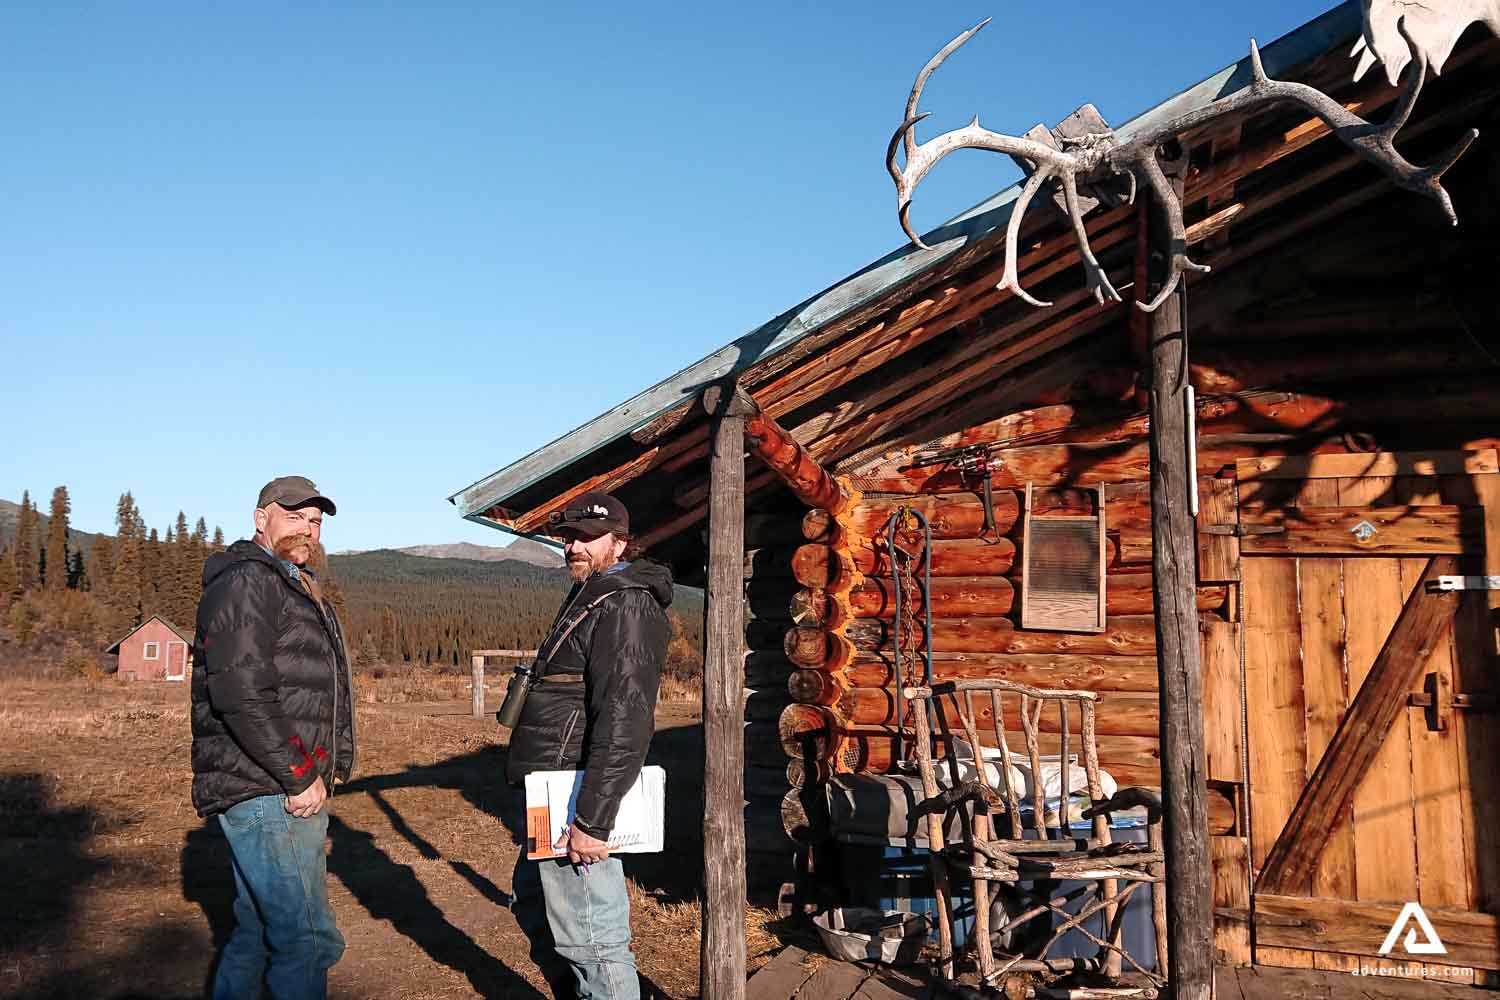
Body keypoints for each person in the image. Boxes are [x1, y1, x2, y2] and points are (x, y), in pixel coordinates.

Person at [190, 476, 355, 1000]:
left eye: (315, 521)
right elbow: (241, 690)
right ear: (261, 518)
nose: (307, 529)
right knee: (306, 940)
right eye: (294, 516)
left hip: (269, 785)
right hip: (272, 789)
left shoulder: (286, 581)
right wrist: (300, 773)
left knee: (258, 934)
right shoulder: (249, 580)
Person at [506, 491, 672, 1000]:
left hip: (576, 802)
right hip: (553, 795)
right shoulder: (594, 592)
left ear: (619, 542)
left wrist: (593, 821)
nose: (573, 545)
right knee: (534, 907)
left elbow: (625, 721)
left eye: (586, 536)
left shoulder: (625, 603)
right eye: (568, 536)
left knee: (593, 942)